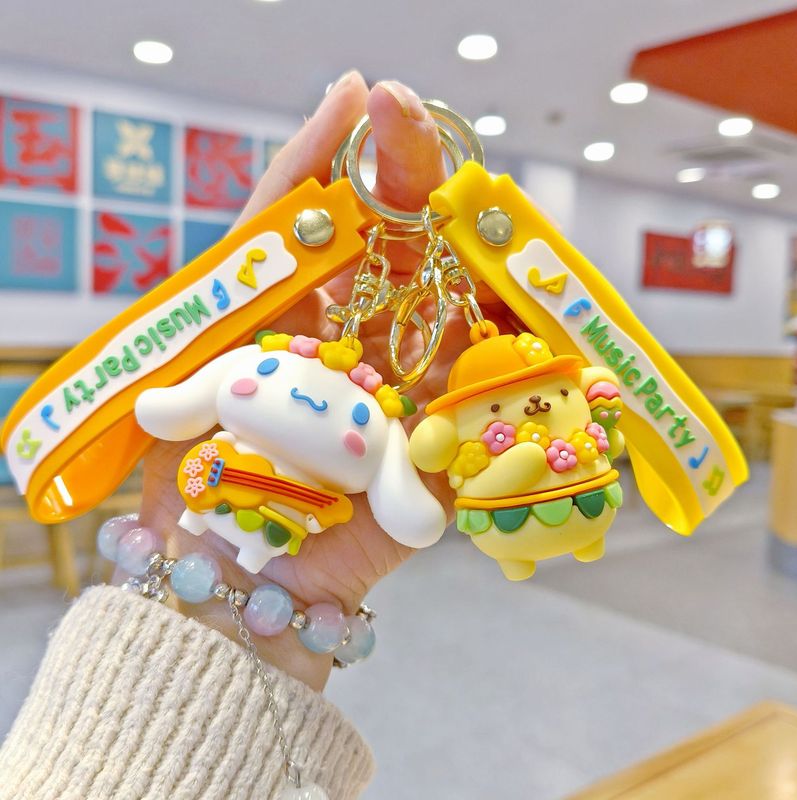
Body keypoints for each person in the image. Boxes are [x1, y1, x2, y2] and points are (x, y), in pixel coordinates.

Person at [0, 73, 507, 799]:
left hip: (290, 517)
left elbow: (408, 509)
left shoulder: (329, 407)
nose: (301, 398)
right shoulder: (258, 373)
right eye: (260, 376)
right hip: (220, 492)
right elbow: (180, 405)